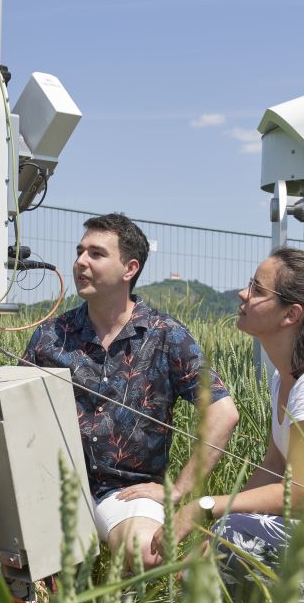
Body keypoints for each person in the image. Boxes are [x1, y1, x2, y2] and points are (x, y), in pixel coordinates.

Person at [151, 247, 304, 592]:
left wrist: (206, 507)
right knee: (217, 551)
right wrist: (225, 525)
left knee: (214, 566)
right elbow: (275, 467)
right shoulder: (285, 377)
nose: (243, 294)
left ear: (291, 314)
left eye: (257, 290)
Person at [22, 213, 239, 569]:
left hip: (123, 493)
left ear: (129, 268)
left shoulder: (165, 334)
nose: (80, 262)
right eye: (79, 252)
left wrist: (181, 489)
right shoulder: (50, 334)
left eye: (96, 253)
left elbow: (223, 412)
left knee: (146, 551)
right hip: (51, 485)